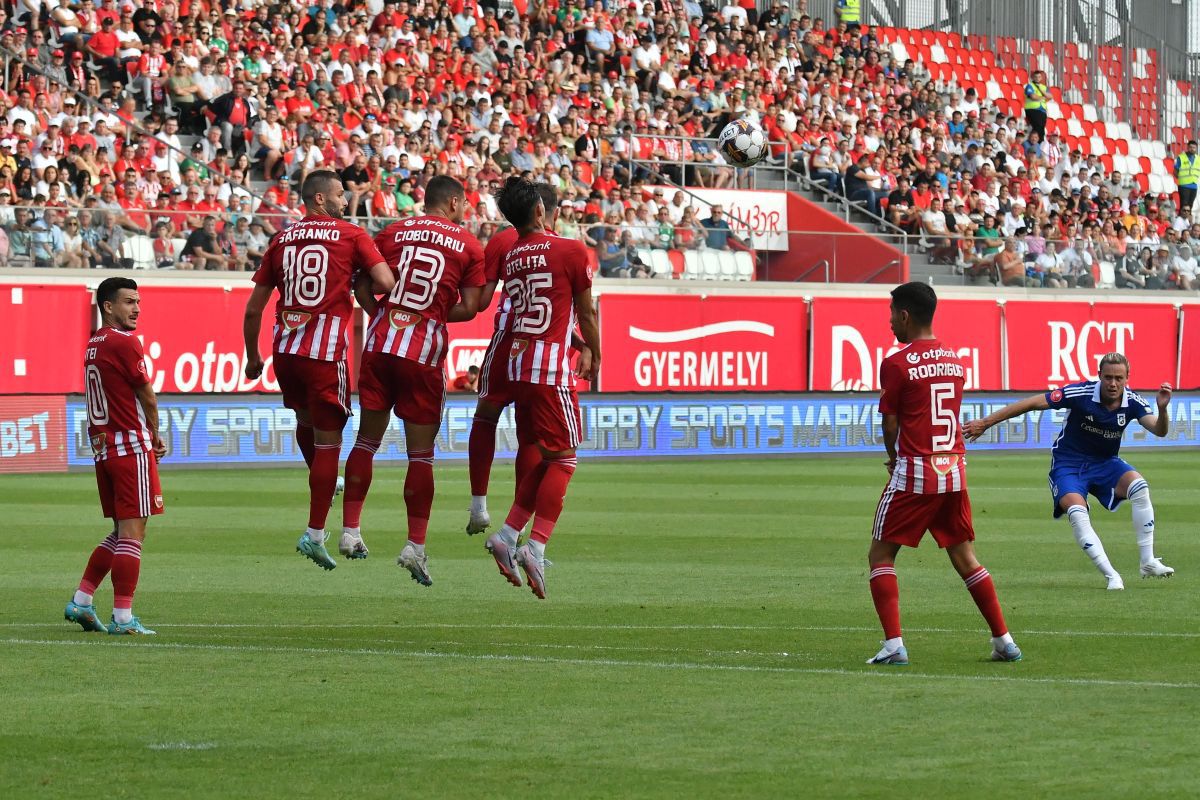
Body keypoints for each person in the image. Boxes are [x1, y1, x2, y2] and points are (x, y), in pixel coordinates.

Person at [242, 170, 393, 570]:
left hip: (284, 351)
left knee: (305, 422)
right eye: (341, 194)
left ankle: (324, 480)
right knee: (330, 442)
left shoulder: (281, 240)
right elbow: (384, 281)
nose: (346, 201)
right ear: (320, 199)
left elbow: (254, 308)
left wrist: (252, 357)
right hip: (325, 354)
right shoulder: (351, 235)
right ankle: (313, 533)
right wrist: (362, 276)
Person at [866, 282, 1022, 665]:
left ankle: (893, 645)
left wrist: (893, 458)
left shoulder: (896, 363)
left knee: (880, 554)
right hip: (953, 469)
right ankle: (1004, 640)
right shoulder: (955, 361)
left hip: (916, 472)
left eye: (892, 315)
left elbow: (890, 423)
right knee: (966, 556)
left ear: (904, 315)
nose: (889, 323)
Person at [339, 175, 484, 584]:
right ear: (454, 202)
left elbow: (362, 284)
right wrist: (433, 315)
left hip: (382, 343)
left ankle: (350, 531)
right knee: (420, 455)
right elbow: (472, 306)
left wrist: (382, 312)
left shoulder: (393, 231)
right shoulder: (469, 244)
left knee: (366, 440)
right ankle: (414, 546)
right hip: (423, 352)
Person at [964, 354, 1175, 589]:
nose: (1113, 383)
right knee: (1077, 512)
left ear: (1127, 379)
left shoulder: (1133, 401)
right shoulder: (1081, 394)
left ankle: (1147, 561)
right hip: (1068, 465)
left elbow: (1159, 430)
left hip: (1105, 463)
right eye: (1108, 377)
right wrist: (986, 422)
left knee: (1140, 487)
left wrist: (1162, 409)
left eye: (1118, 378)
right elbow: (1033, 403)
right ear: (1099, 376)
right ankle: (1111, 575)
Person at [484, 176, 601, 599]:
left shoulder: (512, 254)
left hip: (518, 363)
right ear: (540, 210)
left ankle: (508, 534)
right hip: (550, 369)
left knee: (543, 456)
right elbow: (585, 311)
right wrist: (595, 352)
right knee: (565, 460)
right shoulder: (570, 249)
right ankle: (534, 545)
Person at [465, 182, 592, 537]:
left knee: (487, 415)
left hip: (509, 340)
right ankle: (518, 532)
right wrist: (585, 344)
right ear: (548, 210)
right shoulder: (562, 249)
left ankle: (480, 506)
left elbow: (483, 300)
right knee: (535, 440)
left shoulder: (506, 243)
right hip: (541, 348)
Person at [65, 277, 166, 636]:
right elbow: (147, 394)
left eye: (138, 301)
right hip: (128, 445)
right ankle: (123, 617)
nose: (136, 308)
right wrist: (154, 434)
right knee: (134, 532)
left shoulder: (94, 344)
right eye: (128, 302)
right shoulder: (124, 341)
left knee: (120, 530)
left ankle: (82, 599)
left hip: (104, 448)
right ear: (108, 307)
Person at [1173, 140, 1198, 217]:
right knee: (1184, 206)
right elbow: (1175, 171)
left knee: (1190, 206)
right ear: (1187, 147)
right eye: (1190, 147)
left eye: (1194, 147)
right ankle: (1181, 221)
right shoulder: (1181, 157)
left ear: (1196, 148)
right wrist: (1181, 178)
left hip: (1194, 185)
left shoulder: (1198, 159)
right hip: (1184, 185)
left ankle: (1187, 223)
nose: (1192, 149)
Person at [1023, 70, 1050, 140]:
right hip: (1033, 109)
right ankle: (1036, 142)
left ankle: (1040, 143)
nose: (1037, 78)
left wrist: (1040, 90)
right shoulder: (1030, 86)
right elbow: (1033, 96)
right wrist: (1044, 97)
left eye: (1039, 77)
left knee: (1041, 129)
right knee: (1037, 128)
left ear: (1041, 78)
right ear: (1033, 78)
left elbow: (1050, 96)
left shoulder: (1044, 87)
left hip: (1042, 110)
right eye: (1036, 77)